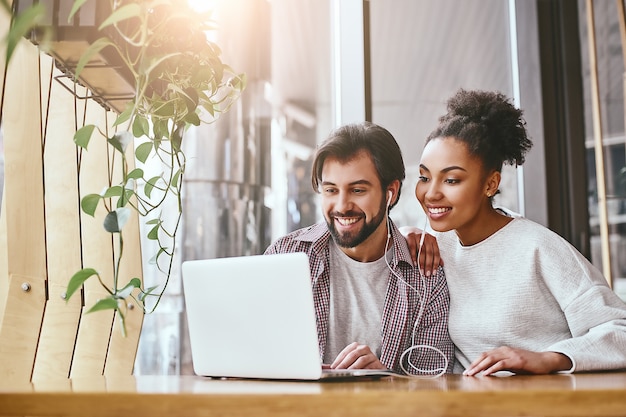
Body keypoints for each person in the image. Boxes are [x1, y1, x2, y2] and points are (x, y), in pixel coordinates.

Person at [408, 88, 626, 376]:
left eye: (451, 179)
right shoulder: (438, 246)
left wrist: (549, 358)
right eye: (424, 177)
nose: (431, 193)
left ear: (490, 184)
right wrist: (404, 233)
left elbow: (620, 331)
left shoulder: (538, 247)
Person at [264, 121, 454, 376]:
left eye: (357, 190)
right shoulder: (285, 255)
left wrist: (384, 380)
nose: (342, 206)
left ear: (391, 192)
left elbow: (435, 386)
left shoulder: (425, 276)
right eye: (331, 190)